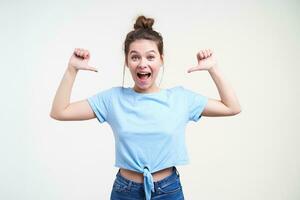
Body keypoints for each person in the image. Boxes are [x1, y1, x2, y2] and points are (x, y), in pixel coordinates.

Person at [50, 15, 241, 200]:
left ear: (161, 60)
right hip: (126, 191)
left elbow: (231, 107)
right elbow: (60, 111)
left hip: (168, 190)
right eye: (135, 57)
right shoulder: (112, 99)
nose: (143, 64)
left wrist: (213, 68)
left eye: (150, 57)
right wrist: (71, 69)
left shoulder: (180, 98)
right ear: (126, 61)